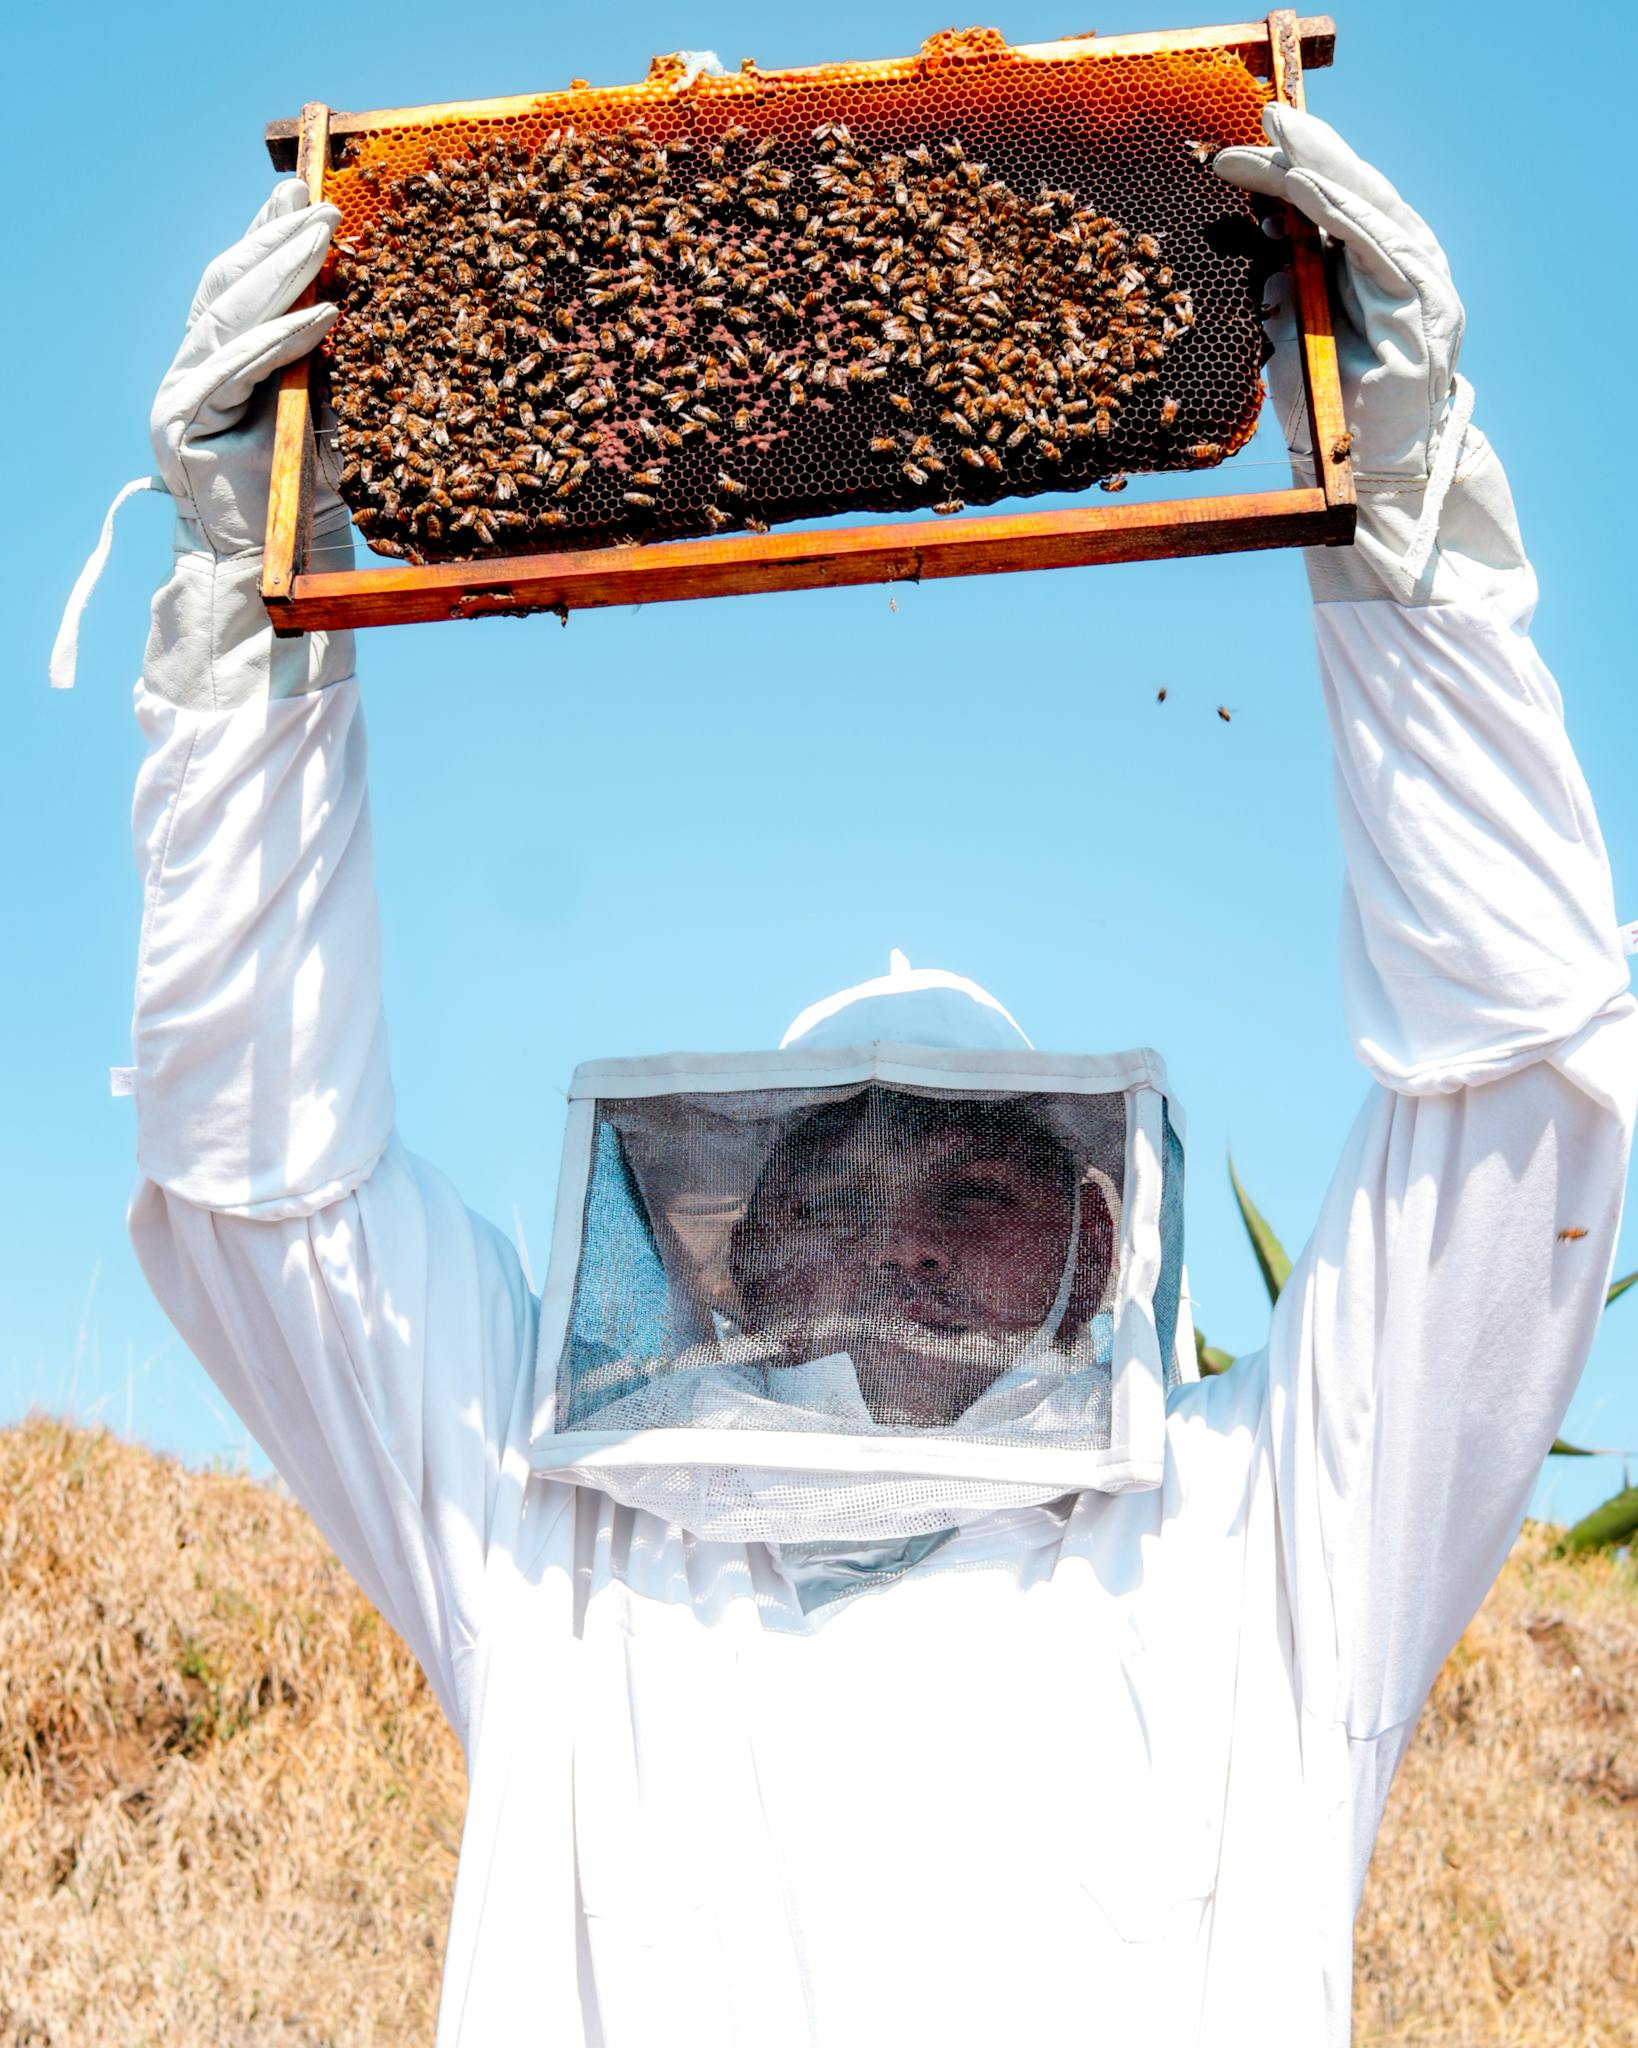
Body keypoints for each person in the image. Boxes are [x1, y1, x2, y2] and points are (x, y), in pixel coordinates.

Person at [116, 104, 1633, 2047]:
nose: (895, 1246)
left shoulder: (1269, 1540)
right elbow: (264, 1187)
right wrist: (250, 636)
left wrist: (1413, 538)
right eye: (827, 1196)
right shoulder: (550, 1535)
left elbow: (1519, 1084)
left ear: (1099, 1253)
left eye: (972, 1195)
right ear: (727, 1269)